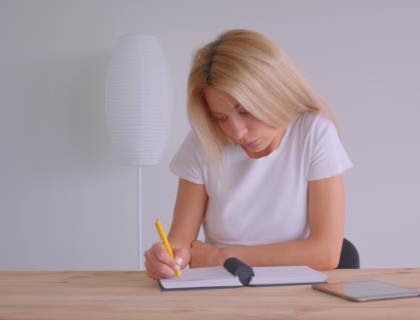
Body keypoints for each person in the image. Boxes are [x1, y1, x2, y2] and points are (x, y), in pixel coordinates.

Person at [144, 29, 352, 280]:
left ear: (275, 94)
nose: (237, 132)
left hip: (291, 291)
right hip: (222, 289)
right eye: (221, 118)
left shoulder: (314, 133)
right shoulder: (203, 141)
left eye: (246, 112)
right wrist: (168, 258)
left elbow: (326, 253)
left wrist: (223, 258)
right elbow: (182, 242)